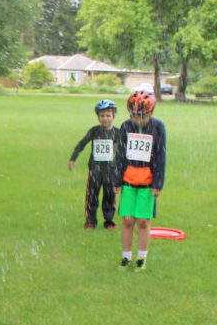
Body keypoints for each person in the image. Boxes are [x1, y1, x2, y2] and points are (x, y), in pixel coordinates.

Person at [114, 90, 166, 270]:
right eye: (134, 116)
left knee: (143, 221)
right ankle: (126, 256)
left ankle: (141, 258)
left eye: (142, 116)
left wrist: (158, 183)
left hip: (147, 182)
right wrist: (116, 180)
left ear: (151, 112)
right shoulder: (126, 127)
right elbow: (120, 155)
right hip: (128, 181)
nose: (138, 120)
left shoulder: (158, 127)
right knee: (128, 219)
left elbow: (161, 156)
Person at [68, 99, 120, 230]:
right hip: (95, 170)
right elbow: (82, 143)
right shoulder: (94, 131)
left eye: (108, 116)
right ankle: (90, 221)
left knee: (109, 196)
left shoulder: (118, 133)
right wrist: (73, 159)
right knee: (92, 196)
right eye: (102, 116)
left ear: (113, 116)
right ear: (98, 117)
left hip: (110, 170)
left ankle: (109, 221)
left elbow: (123, 152)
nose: (105, 119)